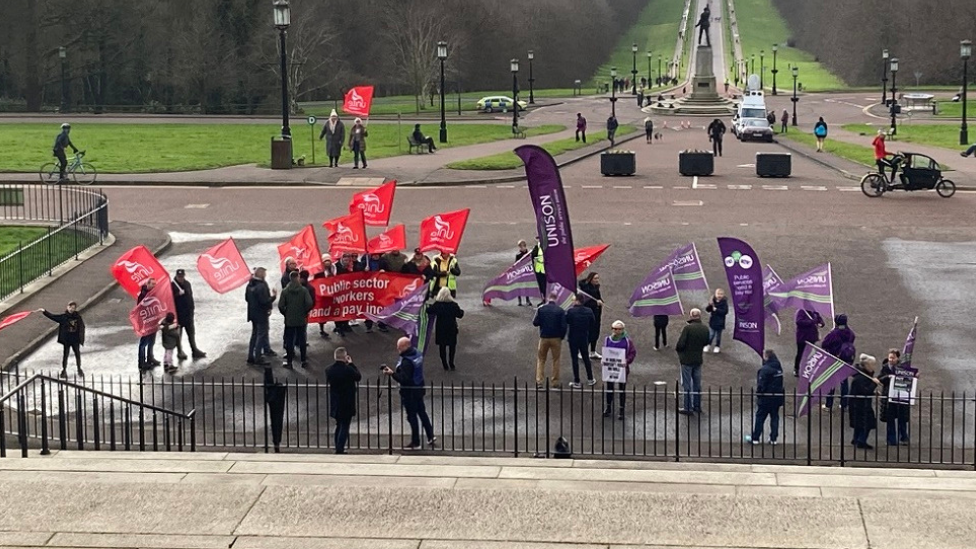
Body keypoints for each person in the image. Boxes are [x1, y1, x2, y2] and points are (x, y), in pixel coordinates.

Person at [383, 337, 436, 450]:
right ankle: (430, 435)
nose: (398, 349)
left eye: (399, 347)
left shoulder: (407, 361)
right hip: (419, 387)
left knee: (412, 416)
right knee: (422, 413)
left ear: (405, 347)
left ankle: (416, 442)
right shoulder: (416, 353)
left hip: (409, 392)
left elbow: (404, 379)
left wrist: (392, 374)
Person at [325, 347, 361, 454]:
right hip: (347, 402)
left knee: (339, 424)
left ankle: (337, 446)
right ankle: (340, 448)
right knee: (345, 425)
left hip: (335, 401)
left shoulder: (329, 370)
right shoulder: (348, 369)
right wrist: (351, 364)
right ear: (345, 357)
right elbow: (358, 376)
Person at [745, 350, 785, 445]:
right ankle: (773, 439)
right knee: (774, 417)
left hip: (766, 398)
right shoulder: (779, 368)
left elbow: (761, 385)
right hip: (777, 397)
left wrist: (758, 395)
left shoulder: (764, 370)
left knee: (760, 417)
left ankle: (755, 438)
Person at [675, 308, 710, 414]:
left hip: (686, 360)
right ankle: (697, 406)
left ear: (691, 316)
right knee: (697, 384)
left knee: (687, 385)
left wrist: (681, 353)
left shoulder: (687, 329)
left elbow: (680, 344)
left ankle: (688, 407)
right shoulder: (705, 329)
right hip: (698, 359)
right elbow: (706, 342)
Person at [38, 301, 85, 378]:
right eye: (70, 307)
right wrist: (45, 312)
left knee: (77, 354)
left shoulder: (78, 317)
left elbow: (82, 328)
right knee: (65, 355)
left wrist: (81, 339)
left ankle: (79, 369)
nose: (71, 309)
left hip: (75, 340)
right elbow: (53, 317)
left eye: (73, 308)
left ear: (75, 309)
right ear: (67, 307)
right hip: (67, 340)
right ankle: (64, 370)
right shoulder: (64, 317)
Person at [278, 270, 313, 369]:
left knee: (290, 341)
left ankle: (289, 362)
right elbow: (309, 303)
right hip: (301, 319)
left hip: (290, 321)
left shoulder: (285, 291)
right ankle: (303, 360)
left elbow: (281, 306)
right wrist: (305, 312)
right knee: (302, 340)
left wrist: (286, 313)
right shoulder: (303, 290)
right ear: (298, 278)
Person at [602, 320, 637, 420]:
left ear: (623, 330)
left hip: (622, 370)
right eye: (614, 329)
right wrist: (603, 360)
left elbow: (632, 353)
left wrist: (627, 360)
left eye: (619, 329)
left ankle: (621, 409)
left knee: (622, 390)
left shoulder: (627, 341)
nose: (616, 331)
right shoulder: (607, 340)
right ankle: (608, 407)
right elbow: (605, 352)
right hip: (610, 369)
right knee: (609, 389)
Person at [822, 314, 856, 411]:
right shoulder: (849, 332)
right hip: (846, 360)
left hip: (833, 360)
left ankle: (829, 405)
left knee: (831, 382)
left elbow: (824, 344)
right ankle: (844, 404)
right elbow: (853, 338)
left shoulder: (834, 334)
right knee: (844, 383)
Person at [533, 291, 567, 388]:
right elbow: (564, 326)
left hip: (544, 337)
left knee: (541, 359)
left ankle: (539, 381)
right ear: (556, 299)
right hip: (556, 338)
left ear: (548, 298)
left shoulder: (541, 309)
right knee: (556, 360)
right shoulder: (560, 310)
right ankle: (555, 381)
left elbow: (535, 323)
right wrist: (562, 336)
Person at [171, 269, 206, 361]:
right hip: (178, 315)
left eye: (182, 277)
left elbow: (190, 297)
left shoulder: (187, 284)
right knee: (179, 335)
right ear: (176, 276)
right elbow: (170, 300)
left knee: (191, 334)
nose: (181, 279)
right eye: (179, 277)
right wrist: (178, 294)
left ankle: (194, 350)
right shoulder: (172, 286)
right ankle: (180, 352)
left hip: (188, 314)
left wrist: (192, 309)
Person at [246, 267, 278, 365]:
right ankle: (258, 357)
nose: (265, 275)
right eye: (264, 273)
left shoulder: (249, 285)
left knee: (254, 335)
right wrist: (274, 296)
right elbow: (264, 301)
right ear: (261, 274)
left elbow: (247, 298)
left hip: (253, 314)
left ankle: (251, 356)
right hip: (261, 315)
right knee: (261, 335)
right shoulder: (262, 286)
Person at [427, 287, 464, 371]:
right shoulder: (453, 305)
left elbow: (429, 311)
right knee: (452, 346)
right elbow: (460, 315)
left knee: (442, 347)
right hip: (451, 328)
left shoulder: (437, 305)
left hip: (441, 329)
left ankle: (445, 364)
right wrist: (461, 311)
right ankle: (451, 363)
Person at [849, 353, 881, 450]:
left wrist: (873, 392)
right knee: (867, 423)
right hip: (860, 405)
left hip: (859, 404)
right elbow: (864, 391)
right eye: (872, 365)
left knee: (860, 423)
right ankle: (861, 441)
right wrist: (874, 384)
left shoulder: (863, 375)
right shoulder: (860, 377)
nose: (874, 367)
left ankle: (855, 439)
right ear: (867, 365)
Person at [879, 349, 910, 446]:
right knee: (890, 419)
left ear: (897, 358)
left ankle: (904, 437)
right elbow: (880, 379)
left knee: (902, 418)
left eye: (893, 358)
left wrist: (915, 376)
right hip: (889, 396)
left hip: (900, 396)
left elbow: (909, 378)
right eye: (890, 358)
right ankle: (891, 439)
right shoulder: (885, 368)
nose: (891, 360)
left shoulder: (903, 368)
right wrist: (887, 377)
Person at [565, 293, 596, 388]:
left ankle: (577, 381)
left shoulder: (571, 311)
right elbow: (593, 322)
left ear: (577, 301)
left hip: (573, 337)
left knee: (574, 359)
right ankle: (590, 378)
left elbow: (567, 321)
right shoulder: (589, 311)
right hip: (584, 337)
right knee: (586, 358)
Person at [578, 272, 604, 359]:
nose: (597, 280)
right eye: (595, 278)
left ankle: (593, 351)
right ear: (590, 279)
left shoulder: (596, 287)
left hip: (597, 314)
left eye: (597, 278)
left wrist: (600, 301)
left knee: (596, 333)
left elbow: (598, 297)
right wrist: (596, 302)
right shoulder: (586, 290)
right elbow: (585, 302)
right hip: (589, 315)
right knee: (588, 333)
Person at [136, 279, 160, 371]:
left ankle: (150, 358)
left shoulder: (154, 293)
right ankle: (141, 362)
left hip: (153, 321)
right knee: (143, 343)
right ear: (147, 284)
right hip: (146, 322)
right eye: (152, 284)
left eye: (155, 284)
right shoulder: (143, 294)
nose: (154, 286)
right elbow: (140, 308)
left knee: (151, 341)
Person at [793, 309, 825, 377]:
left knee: (809, 354)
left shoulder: (815, 312)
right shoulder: (801, 311)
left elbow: (820, 319)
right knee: (800, 353)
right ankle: (796, 368)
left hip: (812, 337)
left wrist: (821, 323)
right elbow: (799, 322)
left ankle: (806, 369)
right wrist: (812, 322)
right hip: (802, 338)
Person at [704, 288, 728, 353]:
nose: (719, 295)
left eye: (721, 294)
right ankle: (708, 344)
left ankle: (717, 346)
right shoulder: (713, 301)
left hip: (720, 322)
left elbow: (725, 312)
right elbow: (708, 310)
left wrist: (716, 310)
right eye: (718, 294)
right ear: (715, 294)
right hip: (713, 321)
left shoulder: (724, 303)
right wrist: (710, 306)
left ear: (723, 295)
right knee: (711, 335)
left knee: (718, 336)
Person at [515, 239, 533, 307]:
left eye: (523, 246)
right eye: (521, 247)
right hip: (520, 272)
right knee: (519, 286)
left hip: (527, 271)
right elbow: (516, 264)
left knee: (527, 286)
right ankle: (519, 301)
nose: (522, 248)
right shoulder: (518, 255)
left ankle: (527, 300)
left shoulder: (529, 254)